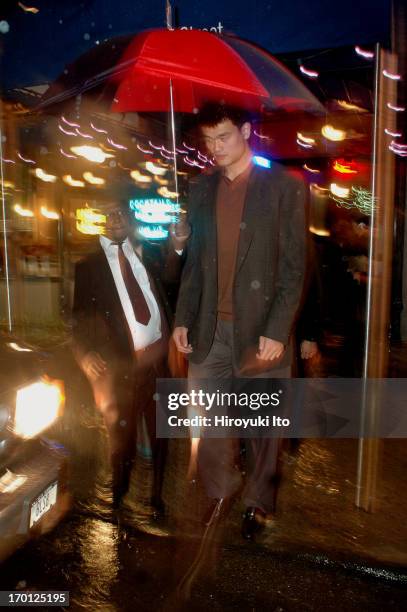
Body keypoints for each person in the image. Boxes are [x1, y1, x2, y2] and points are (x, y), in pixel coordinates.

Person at [172, 102, 306, 539]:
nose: (214, 148)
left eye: (223, 137)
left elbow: (293, 267)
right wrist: (182, 318)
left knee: (263, 429)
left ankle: (257, 503)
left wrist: (278, 329)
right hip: (210, 330)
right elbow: (194, 264)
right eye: (208, 141)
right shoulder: (200, 189)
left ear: (246, 131)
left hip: (260, 330)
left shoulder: (284, 187)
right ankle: (221, 490)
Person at [72, 198, 189, 513]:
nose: (115, 219)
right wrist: (85, 354)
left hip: (158, 363)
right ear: (102, 222)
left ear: (131, 220)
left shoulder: (147, 255)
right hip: (122, 366)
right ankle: (119, 496)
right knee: (122, 438)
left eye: (121, 213)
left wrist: (178, 247)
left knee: (161, 434)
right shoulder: (88, 267)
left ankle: (156, 498)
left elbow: (172, 279)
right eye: (109, 214)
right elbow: (79, 319)